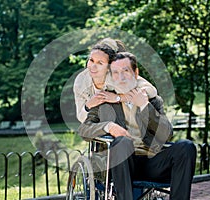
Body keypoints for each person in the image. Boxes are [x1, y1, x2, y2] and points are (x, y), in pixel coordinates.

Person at [78, 52, 197, 200]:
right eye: (116, 72)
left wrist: (144, 106)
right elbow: (83, 130)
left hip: (151, 162)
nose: (120, 77)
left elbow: (167, 134)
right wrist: (108, 127)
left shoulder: (152, 100)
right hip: (121, 164)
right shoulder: (104, 100)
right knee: (123, 142)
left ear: (135, 73)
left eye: (125, 71)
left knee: (186, 146)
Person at [73, 38, 157, 123]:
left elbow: (151, 91)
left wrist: (118, 98)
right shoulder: (80, 82)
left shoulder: (118, 76)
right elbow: (81, 117)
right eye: (91, 60)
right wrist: (89, 105)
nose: (93, 66)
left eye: (100, 63)